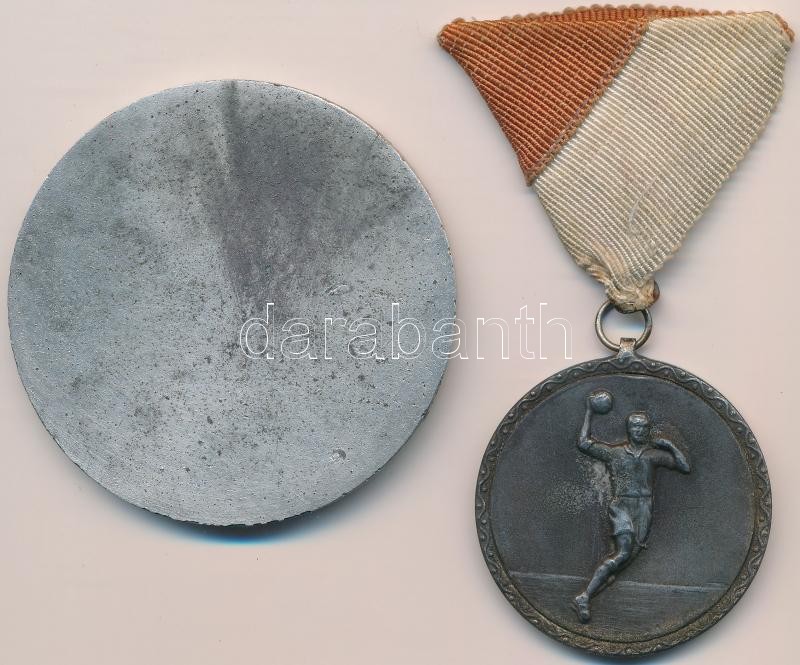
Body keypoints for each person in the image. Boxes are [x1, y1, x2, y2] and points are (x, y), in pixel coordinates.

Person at [573, 392, 690, 623]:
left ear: (648, 430)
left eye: (643, 427)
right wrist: (589, 411)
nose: (639, 430)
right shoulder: (615, 453)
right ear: (629, 429)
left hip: (644, 508)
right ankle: (584, 596)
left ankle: (589, 595)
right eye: (635, 426)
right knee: (623, 553)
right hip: (622, 506)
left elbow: (685, 467)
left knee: (625, 561)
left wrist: (670, 445)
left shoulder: (653, 455)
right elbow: (584, 443)